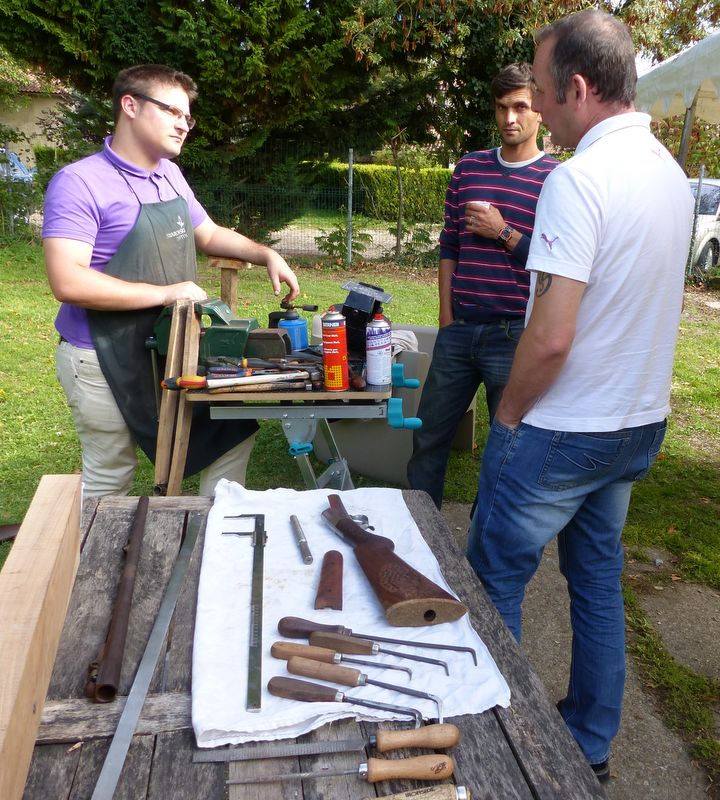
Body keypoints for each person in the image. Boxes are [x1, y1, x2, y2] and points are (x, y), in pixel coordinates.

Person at [466, 10, 694, 784]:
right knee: (596, 582)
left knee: (492, 581)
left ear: (579, 88)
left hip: (563, 429)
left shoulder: (577, 180)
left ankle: (499, 751)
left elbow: (552, 335)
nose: (535, 102)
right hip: (636, 424)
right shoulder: (668, 174)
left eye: (540, 87)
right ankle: (590, 745)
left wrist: (506, 415)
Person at [43, 64, 299, 497]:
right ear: (130, 105)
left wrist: (264, 253)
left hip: (171, 347)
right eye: (172, 111)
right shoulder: (79, 183)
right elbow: (67, 281)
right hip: (99, 356)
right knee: (111, 475)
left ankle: (214, 531)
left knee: (229, 436)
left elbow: (209, 234)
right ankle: (96, 545)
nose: (184, 125)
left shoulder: (169, 174)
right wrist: (166, 293)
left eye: (188, 117)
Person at [406, 63, 558, 509]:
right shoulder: (469, 168)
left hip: (513, 334)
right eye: (501, 107)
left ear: (539, 110)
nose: (510, 118)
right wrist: (446, 316)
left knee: (506, 445)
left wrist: (502, 231)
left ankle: (485, 537)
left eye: (520, 107)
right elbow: (449, 244)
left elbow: (555, 263)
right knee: (428, 435)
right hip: (459, 329)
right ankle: (420, 528)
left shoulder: (556, 180)